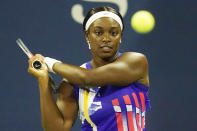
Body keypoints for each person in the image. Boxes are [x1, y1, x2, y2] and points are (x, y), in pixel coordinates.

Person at [28, 6, 151, 131]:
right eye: (98, 32)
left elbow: (88, 78)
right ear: (87, 35)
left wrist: (48, 62)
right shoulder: (72, 80)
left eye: (114, 33)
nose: (106, 39)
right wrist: (43, 80)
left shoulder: (136, 62)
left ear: (120, 36)